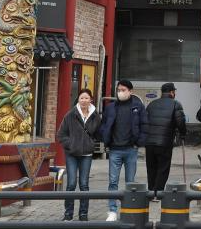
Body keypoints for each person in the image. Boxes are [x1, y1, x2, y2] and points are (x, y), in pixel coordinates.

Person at [100, 79, 148, 221]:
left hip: (131, 149)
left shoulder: (138, 107)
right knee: (113, 182)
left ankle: (128, 209)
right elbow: (104, 125)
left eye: (123, 90)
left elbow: (144, 125)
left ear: (130, 91)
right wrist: (105, 139)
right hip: (114, 149)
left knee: (130, 183)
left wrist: (139, 142)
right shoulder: (111, 107)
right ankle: (112, 211)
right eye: (119, 90)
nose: (120, 92)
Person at [57, 87, 101, 222]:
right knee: (71, 184)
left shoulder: (95, 116)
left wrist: (91, 144)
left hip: (87, 154)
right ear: (78, 99)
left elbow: (98, 134)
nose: (84, 100)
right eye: (82, 98)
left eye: (86, 98)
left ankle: (83, 214)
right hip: (72, 154)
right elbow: (61, 134)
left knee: (84, 184)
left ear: (91, 100)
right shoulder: (70, 114)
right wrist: (70, 144)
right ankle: (68, 214)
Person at [144, 83, 186, 194]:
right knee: (163, 168)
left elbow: (144, 122)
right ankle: (158, 193)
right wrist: (183, 134)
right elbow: (180, 122)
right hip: (164, 143)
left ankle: (151, 191)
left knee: (151, 168)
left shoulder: (152, 104)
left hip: (149, 143)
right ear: (172, 92)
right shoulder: (176, 104)